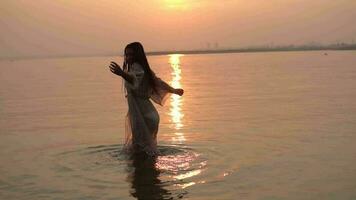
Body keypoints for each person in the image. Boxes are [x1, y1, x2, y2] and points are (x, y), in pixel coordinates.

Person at [109, 42, 184, 156]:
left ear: (138, 55)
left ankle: (143, 172)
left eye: (131, 55)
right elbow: (157, 82)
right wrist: (173, 90)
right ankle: (150, 171)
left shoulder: (137, 68)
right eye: (127, 55)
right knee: (145, 151)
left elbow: (134, 79)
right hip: (149, 114)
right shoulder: (144, 69)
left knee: (140, 151)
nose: (128, 57)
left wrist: (122, 73)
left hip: (143, 116)